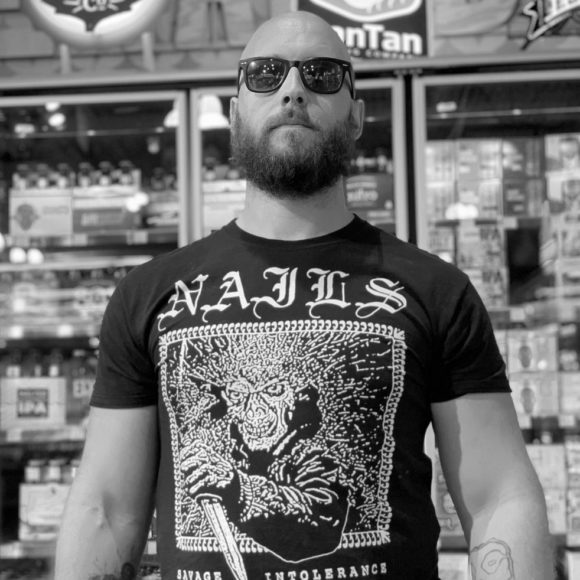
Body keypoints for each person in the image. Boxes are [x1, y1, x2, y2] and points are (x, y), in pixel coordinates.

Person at [54, 10, 554, 580]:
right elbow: (106, 511)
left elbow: (498, 500)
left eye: (322, 74)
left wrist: (236, 488)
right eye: (265, 74)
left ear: (357, 116)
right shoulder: (149, 295)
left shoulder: (436, 291)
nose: (293, 90)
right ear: (235, 111)